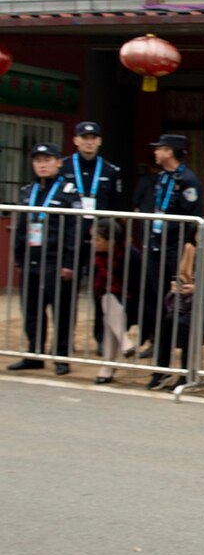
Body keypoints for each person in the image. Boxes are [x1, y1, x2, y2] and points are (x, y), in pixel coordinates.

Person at [8, 143, 80, 375]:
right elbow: (21, 227)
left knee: (61, 311)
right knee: (31, 311)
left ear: (59, 162)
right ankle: (34, 354)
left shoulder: (69, 192)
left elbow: (74, 231)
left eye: (47, 160)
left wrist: (69, 263)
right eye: (38, 160)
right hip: (31, 260)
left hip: (56, 262)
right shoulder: (28, 191)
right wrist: (19, 257)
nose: (42, 164)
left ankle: (61, 357)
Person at [147, 224, 204, 391]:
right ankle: (162, 370)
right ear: (195, 238)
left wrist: (199, 289)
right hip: (191, 303)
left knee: (185, 324)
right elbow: (183, 274)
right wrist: (179, 284)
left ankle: (186, 375)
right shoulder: (190, 249)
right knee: (167, 320)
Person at [59, 120, 125, 354]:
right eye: (84, 138)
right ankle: (64, 342)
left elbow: (116, 211)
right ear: (76, 140)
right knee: (66, 293)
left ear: (99, 141)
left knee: (101, 292)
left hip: (101, 242)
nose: (89, 142)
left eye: (93, 138)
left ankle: (100, 339)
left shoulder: (110, 171)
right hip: (71, 240)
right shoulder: (63, 167)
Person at [135, 133, 202, 357]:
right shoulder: (162, 177)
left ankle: (174, 342)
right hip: (156, 245)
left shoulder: (188, 180)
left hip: (175, 248)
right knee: (155, 294)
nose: (156, 152)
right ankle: (156, 341)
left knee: (174, 298)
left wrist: (182, 246)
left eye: (159, 148)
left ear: (170, 151)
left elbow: (193, 217)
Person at [90, 218, 141, 384]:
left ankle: (109, 364)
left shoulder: (130, 255)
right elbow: (98, 289)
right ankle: (112, 361)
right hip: (111, 305)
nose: (93, 242)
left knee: (109, 304)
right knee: (107, 304)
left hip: (135, 301)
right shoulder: (97, 257)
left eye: (97, 239)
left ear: (110, 241)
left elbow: (138, 286)